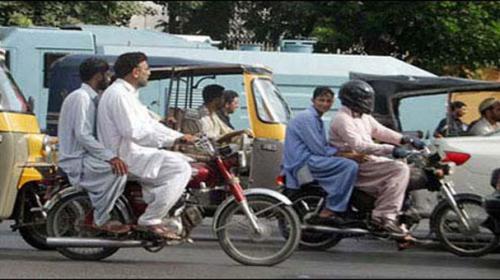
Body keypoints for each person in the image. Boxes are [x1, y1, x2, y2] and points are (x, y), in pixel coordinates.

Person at [97, 52, 195, 240]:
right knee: (180, 168)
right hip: (126, 155)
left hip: (134, 151)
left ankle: (164, 210)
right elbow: (134, 132)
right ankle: (151, 219)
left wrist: (178, 136)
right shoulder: (118, 95)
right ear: (135, 72)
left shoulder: (128, 94)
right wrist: (174, 140)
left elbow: (150, 125)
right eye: (146, 69)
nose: (149, 73)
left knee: (186, 160)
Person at [329, 80, 425, 237]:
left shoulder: (363, 116)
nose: (369, 103)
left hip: (367, 159)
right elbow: (359, 146)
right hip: (354, 162)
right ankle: (383, 216)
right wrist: (391, 149)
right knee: (399, 169)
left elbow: (380, 131)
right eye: (365, 99)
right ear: (353, 98)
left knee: (402, 165)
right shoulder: (342, 119)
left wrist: (406, 140)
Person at [58, 57, 130, 234]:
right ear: (99, 75)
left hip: (87, 156)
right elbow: (83, 135)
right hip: (76, 159)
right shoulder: (80, 98)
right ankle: (101, 218)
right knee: (119, 172)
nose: (109, 78)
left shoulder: (94, 98)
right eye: (107, 74)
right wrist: (110, 157)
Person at [282, 86, 361, 226]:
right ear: (313, 100)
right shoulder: (307, 117)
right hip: (303, 162)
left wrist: (345, 150)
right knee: (350, 166)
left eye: (328, 101)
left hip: (308, 159)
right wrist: (346, 155)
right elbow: (319, 149)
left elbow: (323, 146)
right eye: (321, 100)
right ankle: (332, 207)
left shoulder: (315, 118)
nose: (325, 104)